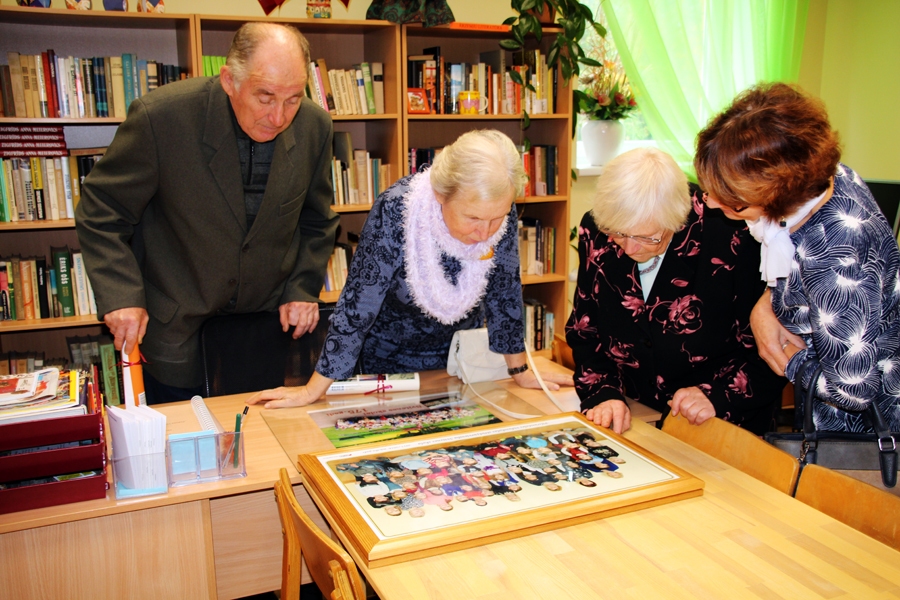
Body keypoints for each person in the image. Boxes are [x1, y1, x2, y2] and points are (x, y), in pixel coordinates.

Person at [75, 23, 339, 403]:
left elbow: (317, 220)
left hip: (262, 334)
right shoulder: (162, 119)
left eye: (293, 99)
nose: (279, 117)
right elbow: (102, 210)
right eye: (265, 97)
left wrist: (301, 288)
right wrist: (120, 295)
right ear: (229, 80)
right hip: (174, 334)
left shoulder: (315, 126)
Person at [248, 129, 573, 408]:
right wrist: (311, 391)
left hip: (461, 366)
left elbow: (504, 291)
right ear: (441, 194)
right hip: (389, 368)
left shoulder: (497, 207)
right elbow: (358, 306)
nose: (485, 232)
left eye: (496, 219)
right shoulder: (397, 210)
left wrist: (520, 371)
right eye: (473, 218)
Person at [695, 82, 900, 433]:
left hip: (860, 434)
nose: (711, 203)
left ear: (780, 193)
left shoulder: (836, 259)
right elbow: (790, 268)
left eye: (733, 201)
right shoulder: (822, 178)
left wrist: (781, 352)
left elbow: (852, 391)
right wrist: (767, 303)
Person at [566, 148, 785, 435]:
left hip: (723, 425)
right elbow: (585, 328)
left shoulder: (734, 232)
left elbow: (775, 345)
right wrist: (603, 393)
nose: (629, 248)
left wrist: (718, 394)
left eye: (647, 237)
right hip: (638, 416)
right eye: (618, 233)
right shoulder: (597, 228)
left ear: (677, 220)